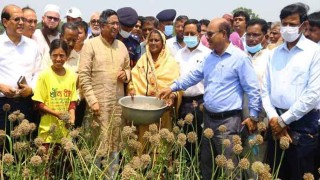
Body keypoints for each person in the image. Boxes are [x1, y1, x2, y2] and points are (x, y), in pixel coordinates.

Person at [159, 18, 261, 180]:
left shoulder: (239, 58)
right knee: (207, 164)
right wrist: (172, 87)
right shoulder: (210, 57)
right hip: (208, 120)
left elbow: (252, 89)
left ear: (224, 34)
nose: (207, 38)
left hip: (228, 122)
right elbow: (193, 76)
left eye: (210, 34)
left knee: (229, 167)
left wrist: (253, 115)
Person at [261, 3, 320, 179]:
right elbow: (265, 91)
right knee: (276, 172)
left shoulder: (314, 52)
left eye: (293, 24)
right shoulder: (274, 53)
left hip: (303, 125)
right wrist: (274, 119)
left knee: (301, 173)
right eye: (284, 24)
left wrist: (284, 120)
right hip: (275, 122)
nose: (288, 28)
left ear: (304, 25)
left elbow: (313, 94)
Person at [78, 9, 130, 167]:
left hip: (117, 105)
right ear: (102, 25)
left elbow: (128, 69)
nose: (115, 27)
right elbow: (84, 76)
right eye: (112, 23)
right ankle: (94, 175)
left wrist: (126, 75)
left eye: (117, 23)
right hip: (98, 105)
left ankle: (111, 176)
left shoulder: (121, 46)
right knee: (97, 142)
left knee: (115, 142)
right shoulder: (90, 46)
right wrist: (92, 100)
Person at [128, 29, 181, 141]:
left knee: (161, 145)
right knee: (143, 142)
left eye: (156, 40)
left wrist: (172, 97)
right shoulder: (142, 61)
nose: (153, 43)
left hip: (163, 110)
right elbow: (133, 79)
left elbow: (177, 85)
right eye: (150, 40)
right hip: (143, 110)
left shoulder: (170, 62)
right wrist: (131, 89)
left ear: (163, 43)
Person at [0, 4, 41, 132]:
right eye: (17, 19)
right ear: (5, 22)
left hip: (26, 103)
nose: (21, 23)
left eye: (23, 19)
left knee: (24, 146)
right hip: (2, 104)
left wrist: (31, 89)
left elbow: (38, 72)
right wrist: (1, 87)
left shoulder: (32, 45)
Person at [174, 19, 211, 161]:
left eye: (192, 33)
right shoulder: (178, 54)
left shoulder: (207, 54)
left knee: (200, 140)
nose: (189, 36)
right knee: (183, 140)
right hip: (182, 102)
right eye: (186, 33)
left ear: (199, 33)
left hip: (200, 103)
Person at [32, 39, 77, 143]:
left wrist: (72, 117)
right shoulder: (44, 75)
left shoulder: (71, 76)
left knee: (63, 158)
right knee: (48, 158)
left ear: (67, 55)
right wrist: (56, 114)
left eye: (62, 55)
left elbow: (72, 102)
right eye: (54, 55)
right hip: (48, 130)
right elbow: (38, 103)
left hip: (65, 130)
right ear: (50, 55)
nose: (58, 59)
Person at [242, 18, 270, 178]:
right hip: (239, 116)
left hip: (260, 118)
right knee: (241, 159)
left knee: (257, 161)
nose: (251, 39)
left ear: (265, 37)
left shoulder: (270, 58)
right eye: (249, 35)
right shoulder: (239, 56)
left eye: (256, 35)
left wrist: (258, 118)